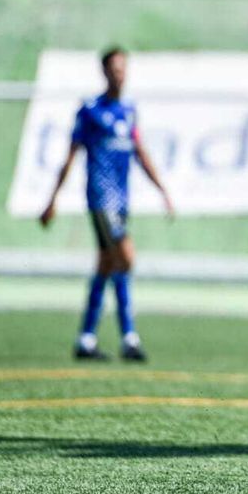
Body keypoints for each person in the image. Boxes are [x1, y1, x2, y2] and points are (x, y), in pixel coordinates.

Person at [39, 47, 175, 362]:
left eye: (123, 68)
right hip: (102, 200)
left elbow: (141, 152)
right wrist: (52, 200)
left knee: (107, 265)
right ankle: (128, 336)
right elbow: (70, 157)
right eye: (114, 68)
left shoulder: (129, 111)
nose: (119, 73)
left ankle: (88, 339)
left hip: (123, 201)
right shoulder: (90, 111)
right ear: (104, 72)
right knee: (126, 258)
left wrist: (162, 190)